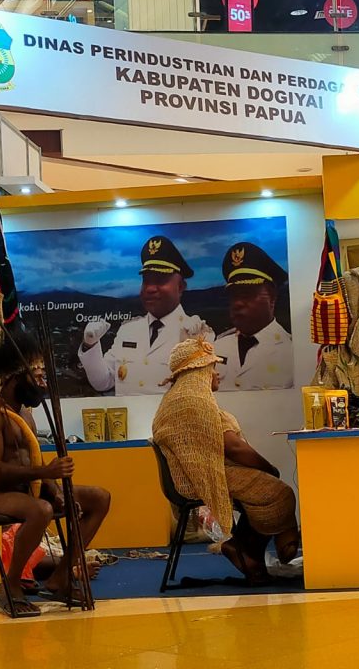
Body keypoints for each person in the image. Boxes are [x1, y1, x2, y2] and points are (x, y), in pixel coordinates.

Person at [0, 328, 111, 616]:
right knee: (41, 510)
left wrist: (56, 489)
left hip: (23, 490)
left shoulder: (24, 414)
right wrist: (45, 471)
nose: (43, 384)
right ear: (15, 378)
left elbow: (33, 460)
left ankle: (60, 577)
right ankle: (10, 585)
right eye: (38, 378)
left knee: (99, 497)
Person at [152, 338, 299, 585]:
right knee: (276, 492)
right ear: (200, 371)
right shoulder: (194, 400)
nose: (216, 373)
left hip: (196, 474)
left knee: (263, 487)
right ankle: (243, 549)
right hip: (202, 477)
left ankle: (249, 550)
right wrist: (268, 468)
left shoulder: (177, 399)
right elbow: (234, 447)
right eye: (212, 368)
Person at [78, 235, 209, 395]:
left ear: (180, 287)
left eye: (160, 280)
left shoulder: (196, 334)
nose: (150, 288)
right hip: (127, 412)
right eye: (146, 280)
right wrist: (90, 345)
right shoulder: (129, 330)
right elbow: (103, 382)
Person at [213, 242, 293, 391]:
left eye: (246, 294)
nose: (237, 303)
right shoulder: (217, 348)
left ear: (272, 297)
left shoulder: (291, 351)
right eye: (233, 295)